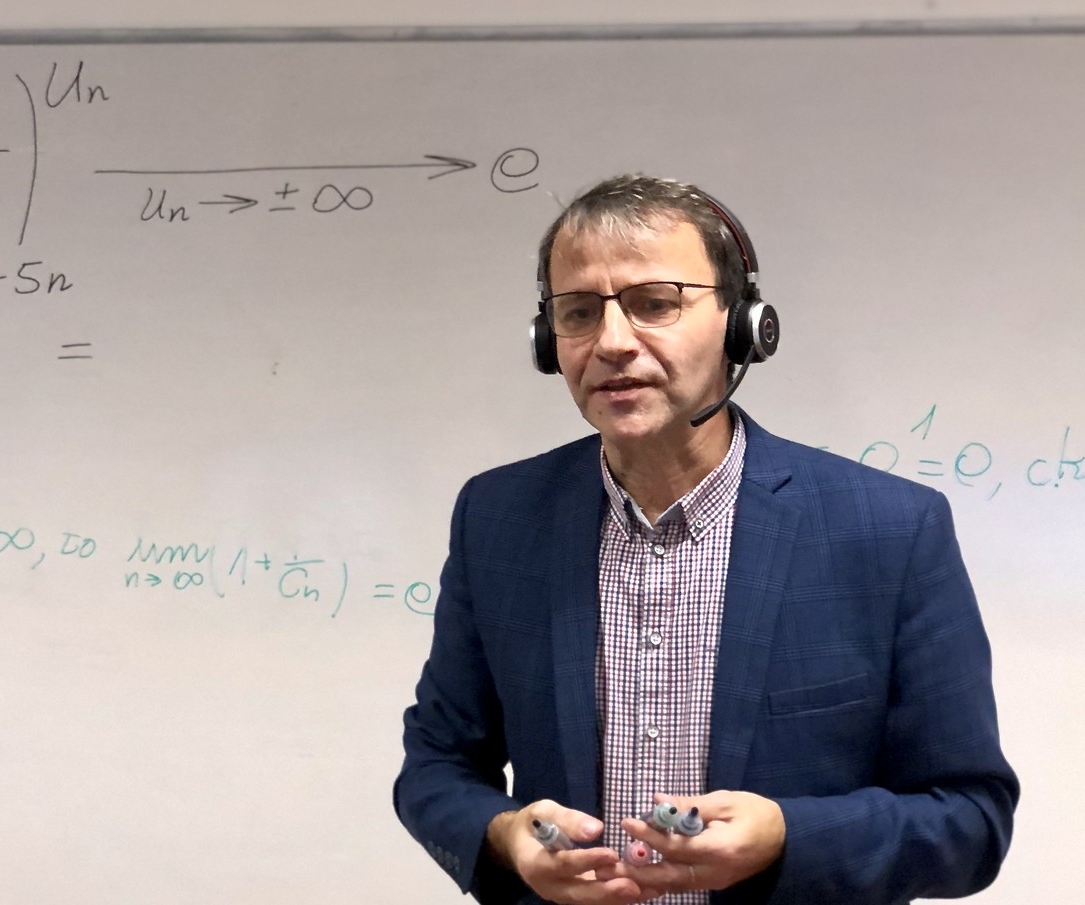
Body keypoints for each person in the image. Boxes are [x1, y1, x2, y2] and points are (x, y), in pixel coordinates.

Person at [393, 174, 1018, 905]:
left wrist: (787, 835)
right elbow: (436, 766)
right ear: (547, 340)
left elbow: (970, 820)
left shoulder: (890, 529)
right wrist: (506, 837)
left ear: (741, 325)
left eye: (655, 303)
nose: (612, 342)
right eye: (579, 312)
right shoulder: (497, 518)